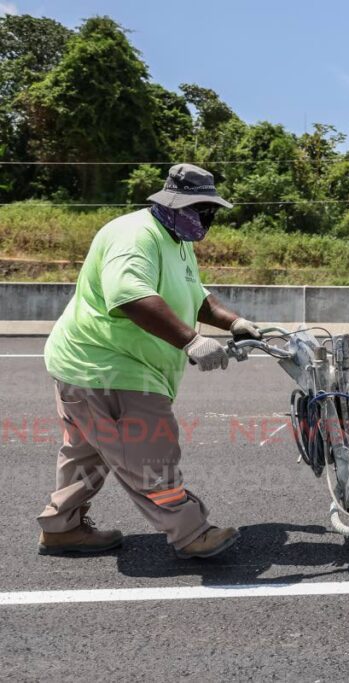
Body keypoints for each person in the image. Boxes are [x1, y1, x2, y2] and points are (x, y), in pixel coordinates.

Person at [37, 164, 262, 559]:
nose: (204, 218)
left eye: (209, 210)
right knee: (150, 450)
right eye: (197, 208)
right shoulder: (134, 236)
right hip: (109, 368)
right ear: (171, 203)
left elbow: (197, 295)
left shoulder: (177, 239)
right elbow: (130, 296)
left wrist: (234, 322)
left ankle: (62, 528)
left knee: (87, 452)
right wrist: (191, 341)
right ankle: (191, 532)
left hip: (88, 368)